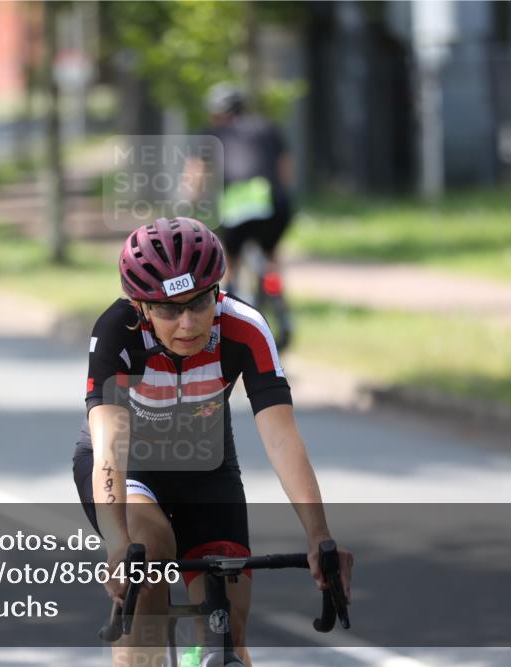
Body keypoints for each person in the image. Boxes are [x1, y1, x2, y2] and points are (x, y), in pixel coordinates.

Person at [72, 217, 352, 666]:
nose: (187, 322)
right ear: (140, 306)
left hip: (206, 468)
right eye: (168, 309)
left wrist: (318, 533)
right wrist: (117, 543)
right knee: (152, 550)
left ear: (217, 290)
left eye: (199, 302)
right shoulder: (116, 334)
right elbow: (108, 449)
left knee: (228, 630)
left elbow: (281, 437)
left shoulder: (245, 327)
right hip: (129, 466)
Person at [186, 83, 297, 349]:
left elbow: (195, 177)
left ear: (215, 112)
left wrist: (191, 206)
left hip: (236, 207)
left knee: (231, 262)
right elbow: (286, 171)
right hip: (274, 203)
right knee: (271, 257)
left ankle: (232, 310)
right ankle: (278, 300)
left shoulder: (210, 134)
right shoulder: (269, 128)